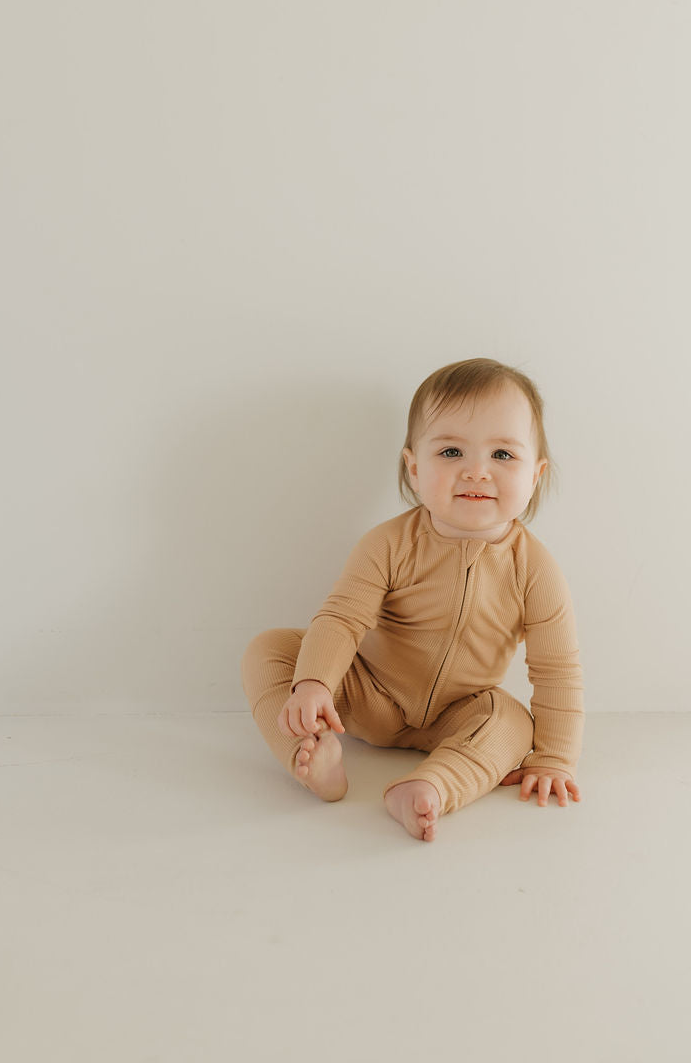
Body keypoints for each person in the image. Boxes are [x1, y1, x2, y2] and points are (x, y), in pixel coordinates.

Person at [240, 356, 584, 841]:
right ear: (414, 467)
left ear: (535, 474)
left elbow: (557, 669)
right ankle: (311, 754)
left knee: (511, 722)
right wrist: (315, 683)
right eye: (451, 452)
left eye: (502, 456)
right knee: (269, 650)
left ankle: (430, 787)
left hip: (459, 711)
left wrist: (554, 758)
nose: (476, 472)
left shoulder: (536, 570)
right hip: (366, 695)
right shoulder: (388, 544)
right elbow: (342, 618)